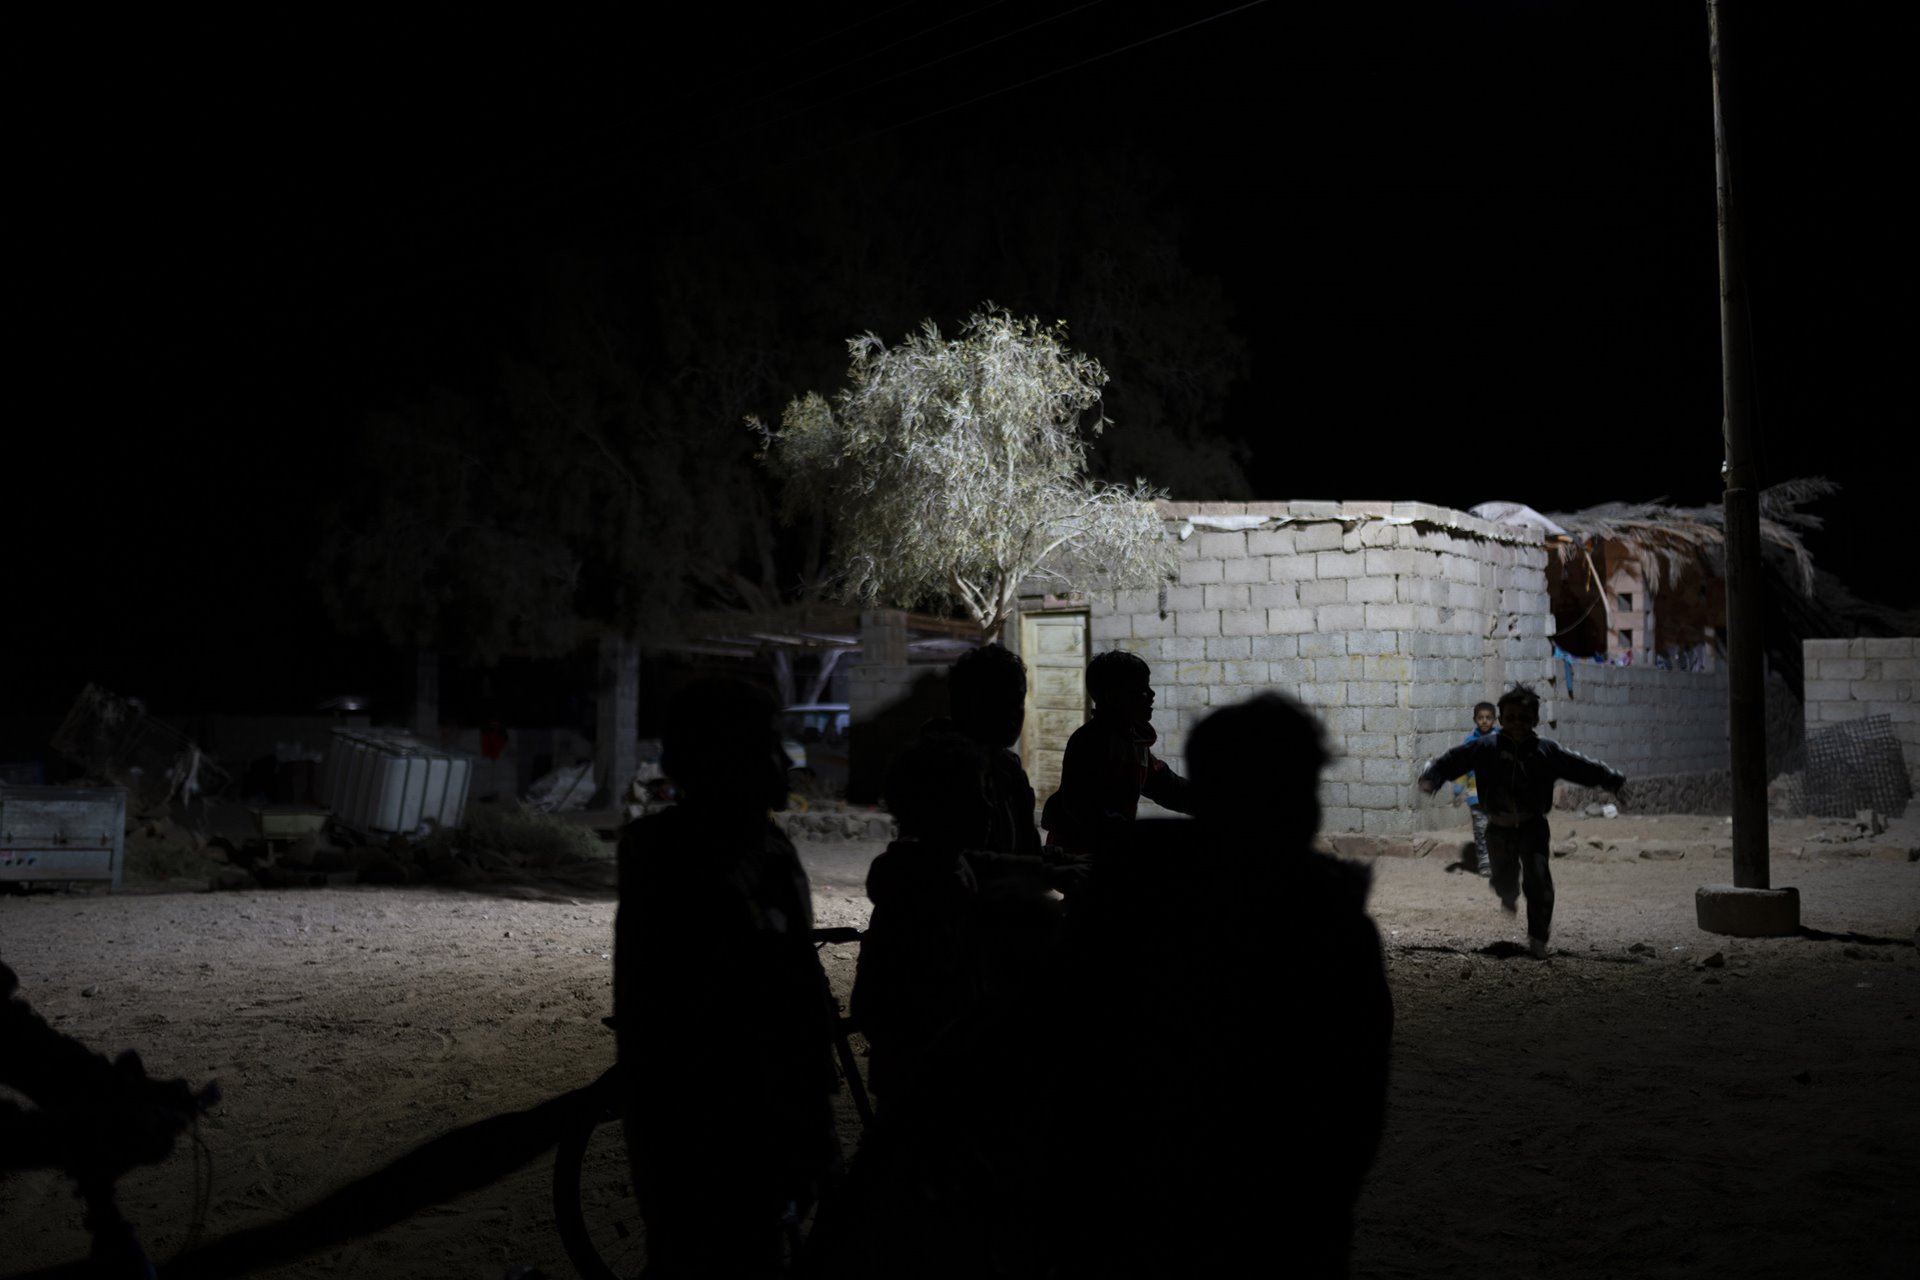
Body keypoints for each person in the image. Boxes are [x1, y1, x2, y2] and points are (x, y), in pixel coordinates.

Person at [1055, 693, 1394, 1277]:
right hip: (1275, 1223)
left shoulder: (1126, 909)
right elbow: (1354, 1102)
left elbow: (1073, 1065)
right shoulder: (1330, 930)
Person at [613, 680, 840, 1278]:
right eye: (766, 747)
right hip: (706, 1139)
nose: (782, 764)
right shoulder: (665, 855)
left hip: (771, 1127)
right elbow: (672, 1020)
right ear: (720, 760)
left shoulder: (771, 850)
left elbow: (796, 981)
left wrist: (814, 1109)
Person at [1418, 683, 1628, 959]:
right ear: (1501, 719)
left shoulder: (1545, 751)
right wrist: (1433, 777)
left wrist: (1610, 779)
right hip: (1498, 828)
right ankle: (1508, 894)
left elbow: (1578, 767)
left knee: (1539, 880)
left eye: (1524, 718)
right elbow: (1454, 759)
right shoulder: (1485, 747)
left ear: (1535, 721)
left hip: (1533, 827)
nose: (1517, 723)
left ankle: (1538, 938)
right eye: (1511, 717)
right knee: (1504, 880)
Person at [1039, 650, 1193, 857]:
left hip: (1111, 852)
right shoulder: (1090, 742)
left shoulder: (1134, 743)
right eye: (1140, 689)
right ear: (1114, 696)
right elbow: (1084, 809)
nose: (1152, 694)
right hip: (1084, 857)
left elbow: (1165, 785)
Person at [1452, 701, 1497, 876]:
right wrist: (1457, 790)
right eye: (1481, 718)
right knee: (1481, 830)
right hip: (1476, 796)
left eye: (1488, 718)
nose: (1484, 721)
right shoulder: (1469, 743)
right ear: (1475, 720)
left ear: (1494, 719)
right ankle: (1485, 863)